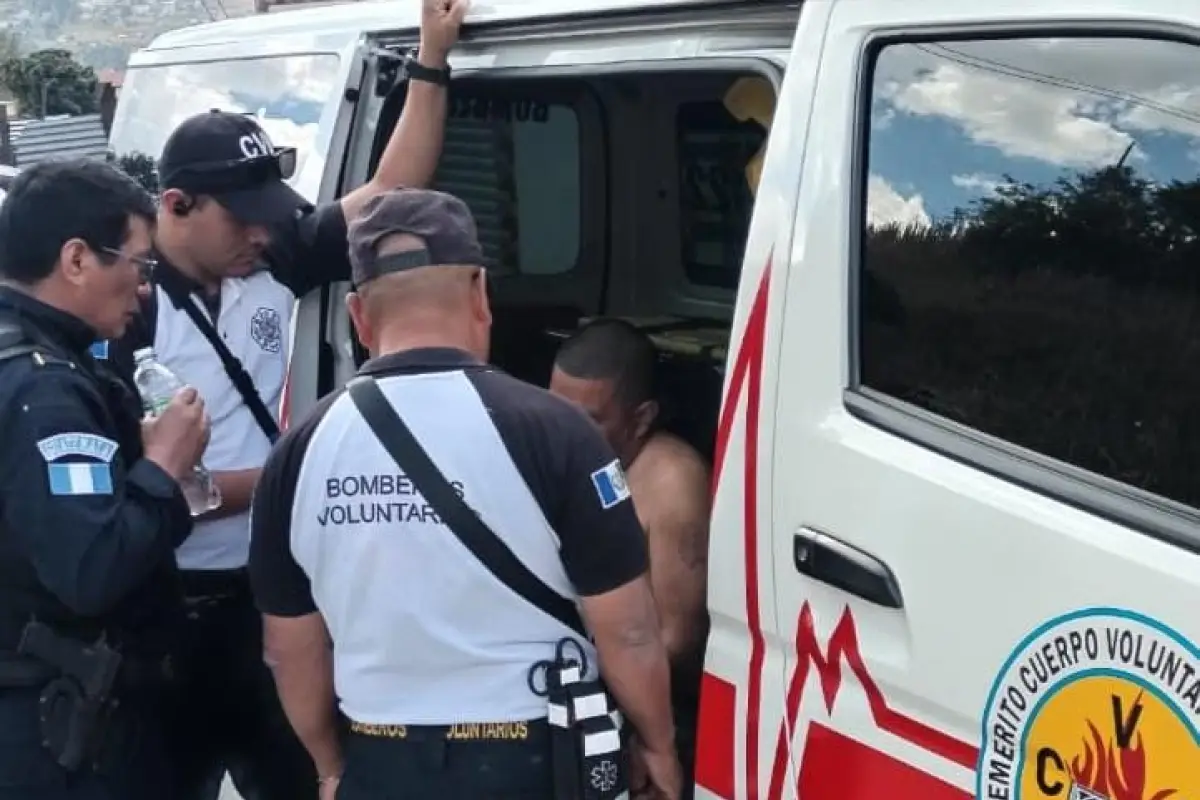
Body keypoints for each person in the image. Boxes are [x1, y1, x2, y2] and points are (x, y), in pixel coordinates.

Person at [99, 3, 469, 798]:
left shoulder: (272, 258)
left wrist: (432, 63)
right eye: (244, 219)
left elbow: (390, 195)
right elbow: (134, 478)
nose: (262, 236)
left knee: (293, 770)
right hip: (164, 604)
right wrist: (279, 482)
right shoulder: (125, 307)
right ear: (176, 207)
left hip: (267, 589)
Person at [247, 188, 682, 800]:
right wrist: (656, 742)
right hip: (537, 757)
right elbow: (629, 628)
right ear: (480, 293)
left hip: (380, 755)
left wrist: (330, 764)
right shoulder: (559, 433)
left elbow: (289, 648)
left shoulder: (297, 453)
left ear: (358, 316)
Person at [0, 159, 210, 799]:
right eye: (140, 266)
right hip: (62, 731)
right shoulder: (46, 390)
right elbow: (91, 568)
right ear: (76, 260)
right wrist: (162, 467)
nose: (146, 288)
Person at [549, 318, 711, 797]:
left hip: (640, 706)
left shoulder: (670, 483)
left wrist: (636, 726)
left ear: (640, 419)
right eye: (554, 411)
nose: (563, 432)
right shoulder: (556, 454)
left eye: (587, 420)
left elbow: (676, 640)